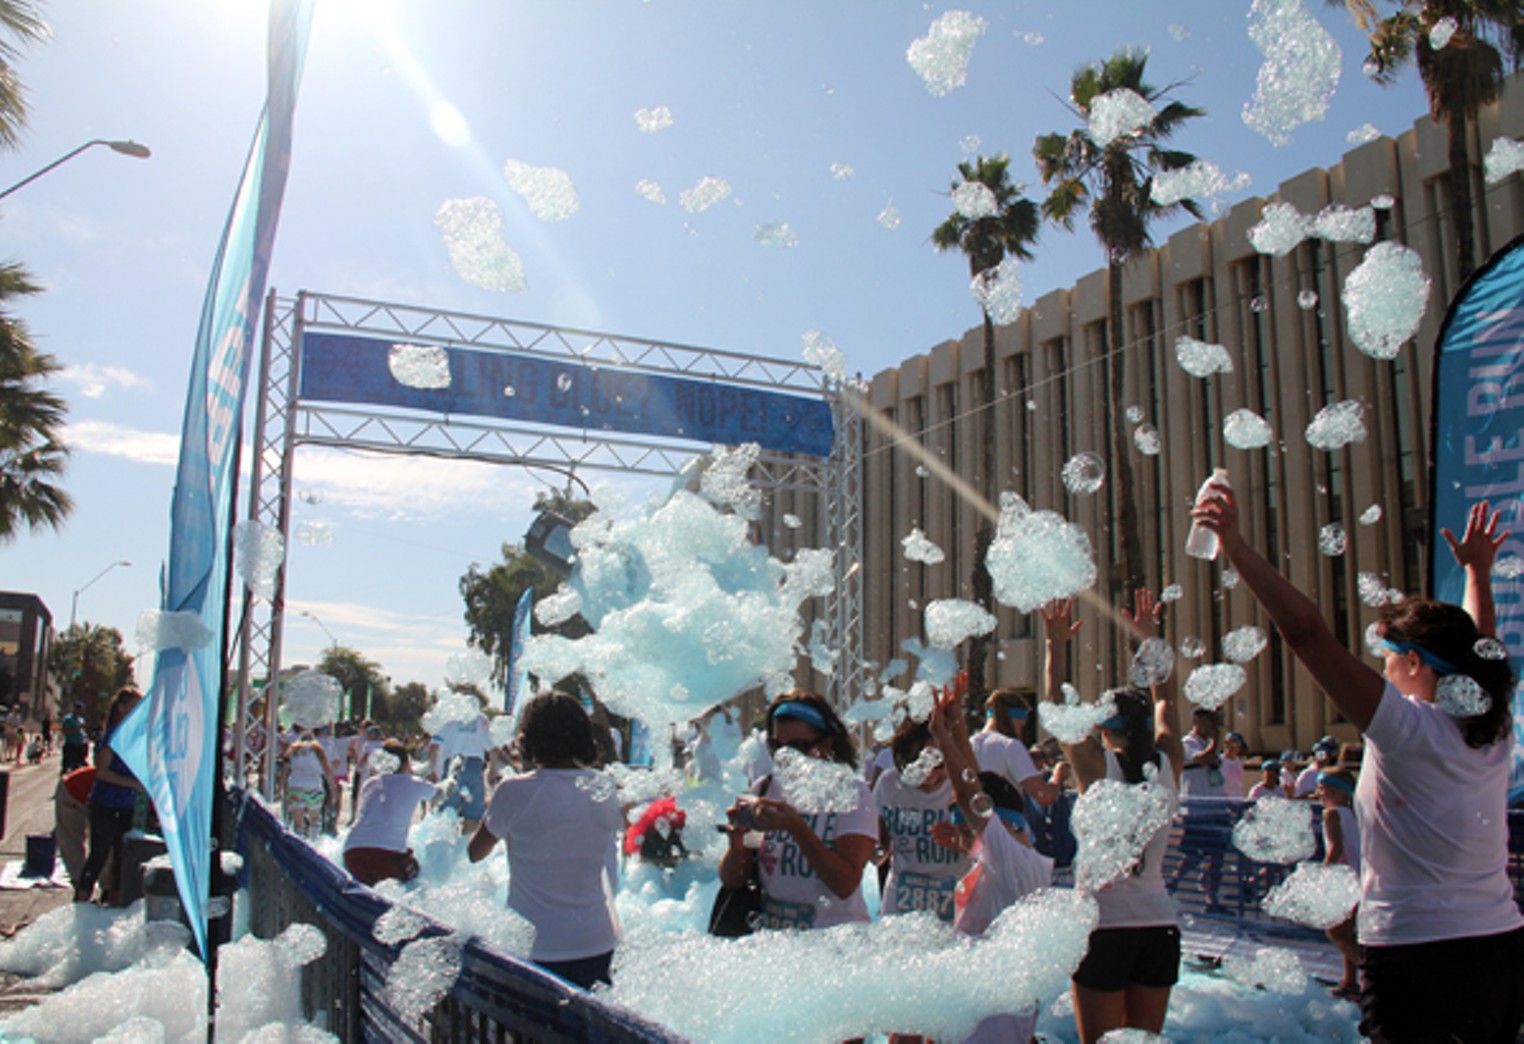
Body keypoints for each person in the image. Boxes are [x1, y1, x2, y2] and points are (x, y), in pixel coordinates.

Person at [1192, 489, 1524, 1041]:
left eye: (1389, 658)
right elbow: (1479, 646)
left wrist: (1237, 547)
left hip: (1419, 954)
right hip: (1500, 944)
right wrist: (1477, 574)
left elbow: (1307, 636)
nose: (1384, 670)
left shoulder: (1409, 730)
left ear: (1414, 663)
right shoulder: (1490, 726)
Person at [1043, 592, 1185, 1044]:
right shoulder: (1167, 765)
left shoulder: (1096, 768)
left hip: (1105, 925)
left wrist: (1056, 648)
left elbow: (1057, 709)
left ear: (1104, 729)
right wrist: (1150, 644)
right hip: (1158, 925)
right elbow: (1166, 705)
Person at [927, 673, 1053, 1043]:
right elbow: (978, 782)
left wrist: (942, 736)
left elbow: (970, 793)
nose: (969, 837)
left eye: (970, 829)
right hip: (983, 1018)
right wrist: (957, 722)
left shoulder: (1013, 858)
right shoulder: (1013, 859)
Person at [470, 691, 623, 990]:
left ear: (529, 737)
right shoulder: (603, 787)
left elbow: (475, 852)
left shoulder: (513, 791)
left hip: (534, 945)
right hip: (596, 941)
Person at [718, 690, 877, 931]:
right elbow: (733, 880)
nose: (784, 757)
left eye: (798, 747)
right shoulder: (765, 788)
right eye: (776, 746)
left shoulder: (852, 793)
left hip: (835, 946)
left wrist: (797, 828)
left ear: (825, 744)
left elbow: (845, 884)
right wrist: (737, 841)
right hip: (778, 945)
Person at [872, 716, 969, 921]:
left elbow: (993, 848)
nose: (931, 774)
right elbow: (878, 850)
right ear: (902, 759)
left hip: (954, 906)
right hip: (900, 904)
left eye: (939, 764)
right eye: (920, 763)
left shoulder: (959, 787)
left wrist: (963, 842)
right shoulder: (889, 784)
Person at [74, 688, 145, 905]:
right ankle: (81, 901)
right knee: (99, 855)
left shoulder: (134, 737)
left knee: (122, 859)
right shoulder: (112, 735)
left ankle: (115, 901)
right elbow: (102, 771)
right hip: (105, 804)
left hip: (126, 805)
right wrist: (133, 783)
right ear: (121, 708)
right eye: (134, 707)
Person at [342, 739, 438, 887]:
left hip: (352, 853)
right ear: (406, 762)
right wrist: (450, 782)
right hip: (386, 857)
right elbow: (438, 794)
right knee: (415, 873)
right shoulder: (414, 783)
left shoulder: (370, 783)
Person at [1318, 767, 1361, 1000]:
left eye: (1322, 789)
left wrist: (1323, 873)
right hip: (1358, 876)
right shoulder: (1353, 813)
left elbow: (1336, 847)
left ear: (1334, 792)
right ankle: (1350, 981)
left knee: (1336, 932)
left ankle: (1372, 974)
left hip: (1343, 878)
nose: (1318, 794)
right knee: (1349, 932)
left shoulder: (1331, 813)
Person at [971, 689, 1051, 803]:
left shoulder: (969, 743)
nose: (1020, 733)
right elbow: (1043, 796)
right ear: (1013, 719)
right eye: (1021, 726)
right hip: (1005, 817)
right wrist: (1058, 776)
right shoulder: (1010, 745)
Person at [427, 708, 492, 833]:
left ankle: (445, 843)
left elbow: (434, 746)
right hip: (476, 764)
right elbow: (491, 745)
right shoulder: (480, 718)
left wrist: (434, 769)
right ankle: (468, 845)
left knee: (447, 811)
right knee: (473, 814)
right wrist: (494, 768)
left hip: (454, 764)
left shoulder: (449, 718)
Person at [279, 728, 334, 838]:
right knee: (315, 820)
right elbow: (327, 770)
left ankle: (298, 843)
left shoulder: (293, 750)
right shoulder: (318, 750)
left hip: (296, 787)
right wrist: (332, 787)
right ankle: (314, 843)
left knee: (298, 824)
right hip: (314, 787)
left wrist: (282, 787)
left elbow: (285, 771)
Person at [53, 763, 95, 886]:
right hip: (72, 792)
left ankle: (105, 885)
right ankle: (79, 880)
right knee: (71, 838)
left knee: (104, 843)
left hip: (92, 795)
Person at [59, 702, 87, 773]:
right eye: (79, 709)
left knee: (79, 766)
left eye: (81, 710)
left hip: (80, 746)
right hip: (71, 745)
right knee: (68, 765)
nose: (80, 711)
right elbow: (66, 731)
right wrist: (77, 728)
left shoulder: (81, 719)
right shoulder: (68, 719)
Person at [1220, 732, 1248, 799]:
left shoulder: (1239, 763)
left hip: (1237, 801)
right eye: (1227, 743)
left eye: (1233, 743)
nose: (1229, 746)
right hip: (1223, 802)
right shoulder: (1219, 761)